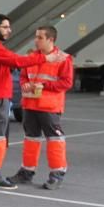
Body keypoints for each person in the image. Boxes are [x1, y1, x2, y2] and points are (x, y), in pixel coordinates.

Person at [0, 13, 64, 189]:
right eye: (5, 27)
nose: (9, 30)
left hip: (7, 98)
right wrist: (44, 58)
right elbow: (16, 61)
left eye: (39, 37)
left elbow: (14, 62)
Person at [9, 26, 73, 189]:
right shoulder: (31, 57)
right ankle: (27, 172)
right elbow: (23, 76)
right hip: (30, 105)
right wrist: (24, 85)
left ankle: (57, 173)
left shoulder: (63, 58)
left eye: (39, 37)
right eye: (36, 37)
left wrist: (44, 85)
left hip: (49, 106)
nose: (35, 40)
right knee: (31, 138)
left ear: (50, 39)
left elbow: (67, 82)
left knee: (55, 140)